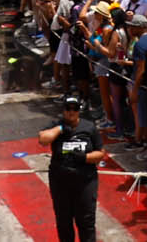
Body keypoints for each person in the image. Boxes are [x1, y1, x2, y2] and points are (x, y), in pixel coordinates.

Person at [39, 94, 105, 242]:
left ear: (79, 110)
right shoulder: (56, 125)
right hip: (61, 182)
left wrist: (84, 158)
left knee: (86, 222)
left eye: (74, 108)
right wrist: (61, 129)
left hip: (85, 181)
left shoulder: (89, 127)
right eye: (68, 108)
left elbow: (100, 153)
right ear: (63, 110)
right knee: (64, 222)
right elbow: (43, 139)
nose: (71, 112)